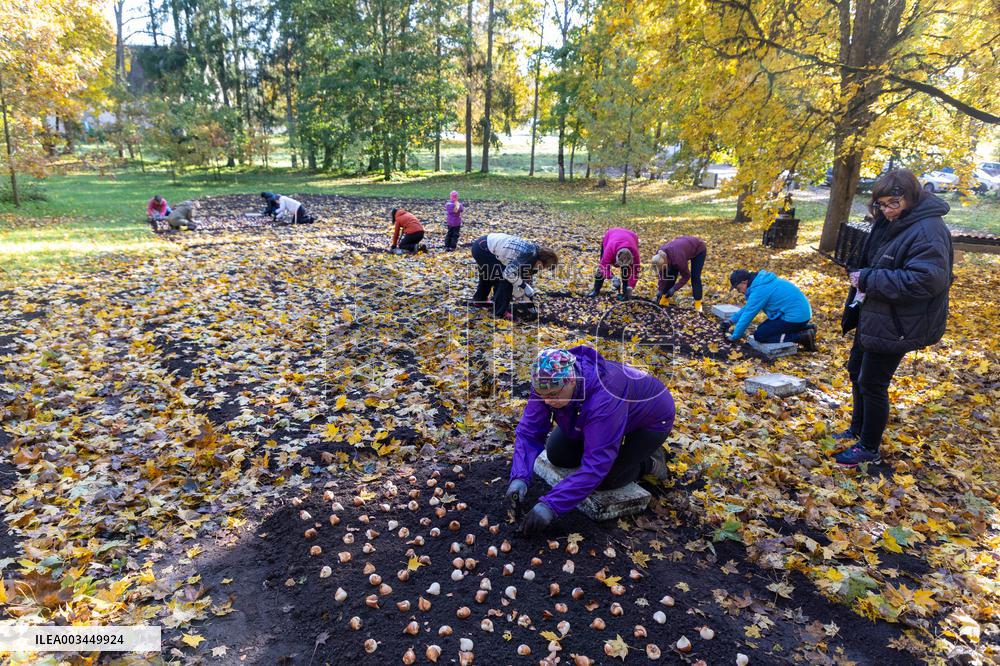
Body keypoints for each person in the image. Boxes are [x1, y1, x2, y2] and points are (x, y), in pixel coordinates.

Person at [833, 169, 953, 467]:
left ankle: (869, 447)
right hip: (874, 312)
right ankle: (858, 428)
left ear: (910, 198)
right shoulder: (893, 221)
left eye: (892, 204)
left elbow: (927, 280)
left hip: (899, 321)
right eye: (881, 204)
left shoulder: (928, 230)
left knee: (873, 382)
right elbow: (877, 258)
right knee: (856, 370)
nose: (885, 210)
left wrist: (870, 279)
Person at [505, 347, 675, 534]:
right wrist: (519, 477)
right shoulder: (547, 382)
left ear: (571, 380)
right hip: (594, 415)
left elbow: (596, 465)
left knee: (606, 479)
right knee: (557, 453)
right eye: (541, 395)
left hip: (651, 419)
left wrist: (550, 506)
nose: (546, 401)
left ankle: (649, 461)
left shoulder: (605, 397)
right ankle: (608, 441)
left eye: (553, 395)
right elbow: (529, 432)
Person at [724, 269, 816, 351]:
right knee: (762, 329)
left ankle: (802, 337)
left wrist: (735, 336)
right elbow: (749, 307)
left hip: (795, 317)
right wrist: (731, 321)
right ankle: (807, 328)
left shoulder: (760, 289)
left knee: (760, 336)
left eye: (739, 288)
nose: (740, 292)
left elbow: (748, 314)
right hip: (799, 314)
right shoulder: (761, 282)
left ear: (744, 282)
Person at [470, 233, 558, 320]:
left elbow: (523, 276)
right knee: (504, 280)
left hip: (482, 244)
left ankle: (480, 300)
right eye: (543, 267)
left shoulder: (534, 252)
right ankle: (499, 312)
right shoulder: (530, 256)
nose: (541, 269)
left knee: (488, 275)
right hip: (483, 249)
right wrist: (523, 286)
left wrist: (526, 290)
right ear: (540, 261)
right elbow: (508, 274)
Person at [651, 236, 707, 312]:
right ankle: (664, 299)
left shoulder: (678, 260)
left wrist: (674, 289)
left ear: (666, 262)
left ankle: (698, 304)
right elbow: (663, 274)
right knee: (670, 274)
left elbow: (686, 276)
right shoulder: (659, 254)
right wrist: (660, 290)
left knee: (695, 277)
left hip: (698, 248)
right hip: (681, 246)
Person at [587, 228, 640, 301]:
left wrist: (630, 286)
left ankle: (625, 293)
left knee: (626, 271)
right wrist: (612, 278)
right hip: (611, 235)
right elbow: (603, 266)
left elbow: (635, 272)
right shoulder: (610, 249)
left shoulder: (635, 254)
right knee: (601, 270)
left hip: (631, 237)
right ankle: (596, 290)